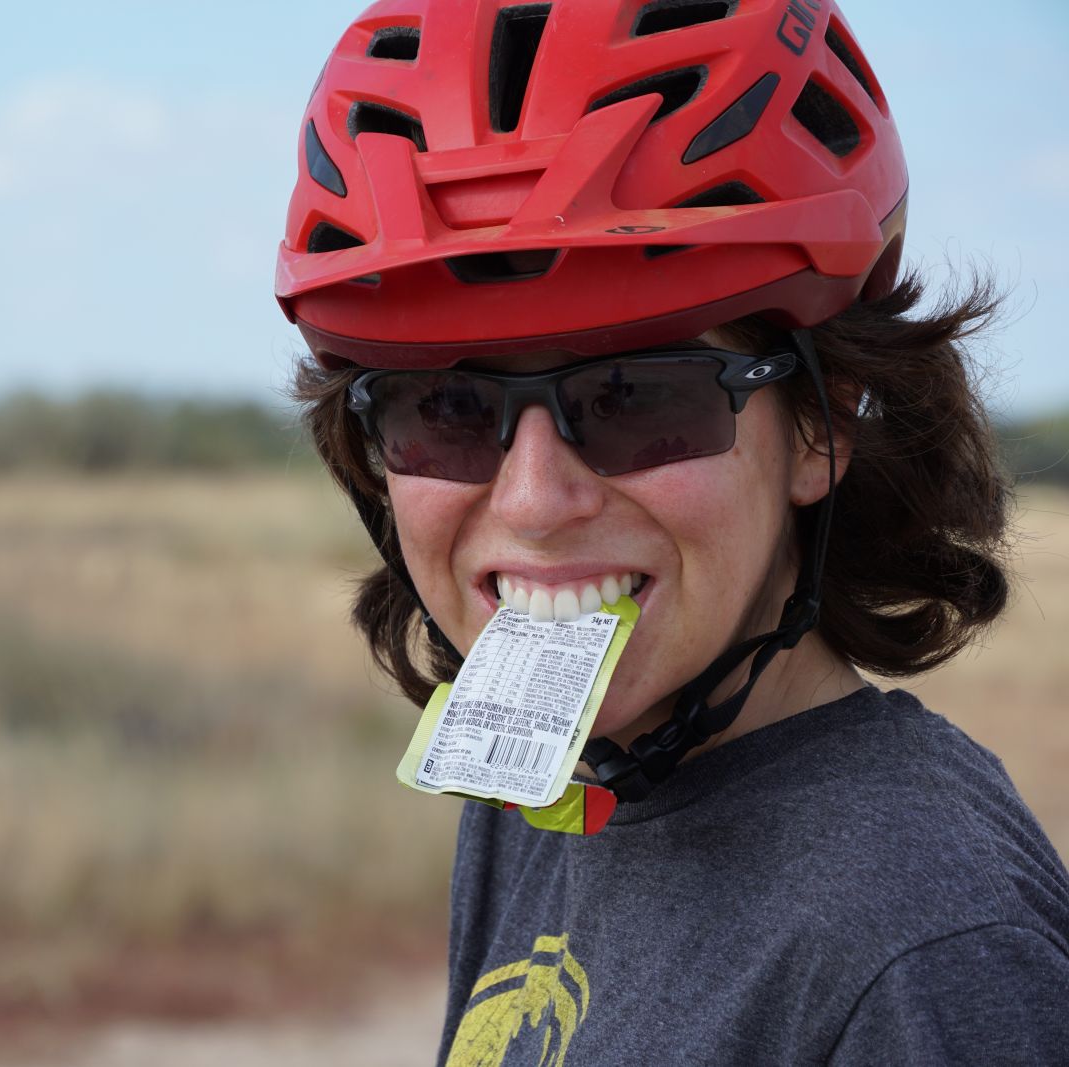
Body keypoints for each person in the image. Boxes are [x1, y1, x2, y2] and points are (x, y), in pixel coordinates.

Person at [275, 1, 1069, 1063]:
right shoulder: (548, 779)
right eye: (444, 408)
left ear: (821, 423)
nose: (531, 501)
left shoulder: (923, 945)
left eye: (637, 396)